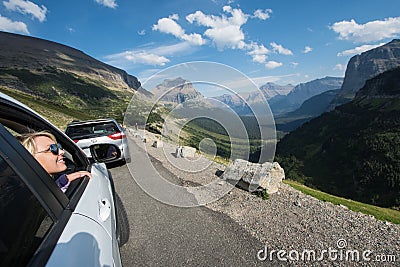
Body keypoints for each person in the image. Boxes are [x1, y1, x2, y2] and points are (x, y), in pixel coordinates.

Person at [17, 131, 91, 192]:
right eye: (52, 148)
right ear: (30, 158)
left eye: (58, 146)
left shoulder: (38, 188)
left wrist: (64, 181)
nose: (62, 152)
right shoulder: (28, 193)